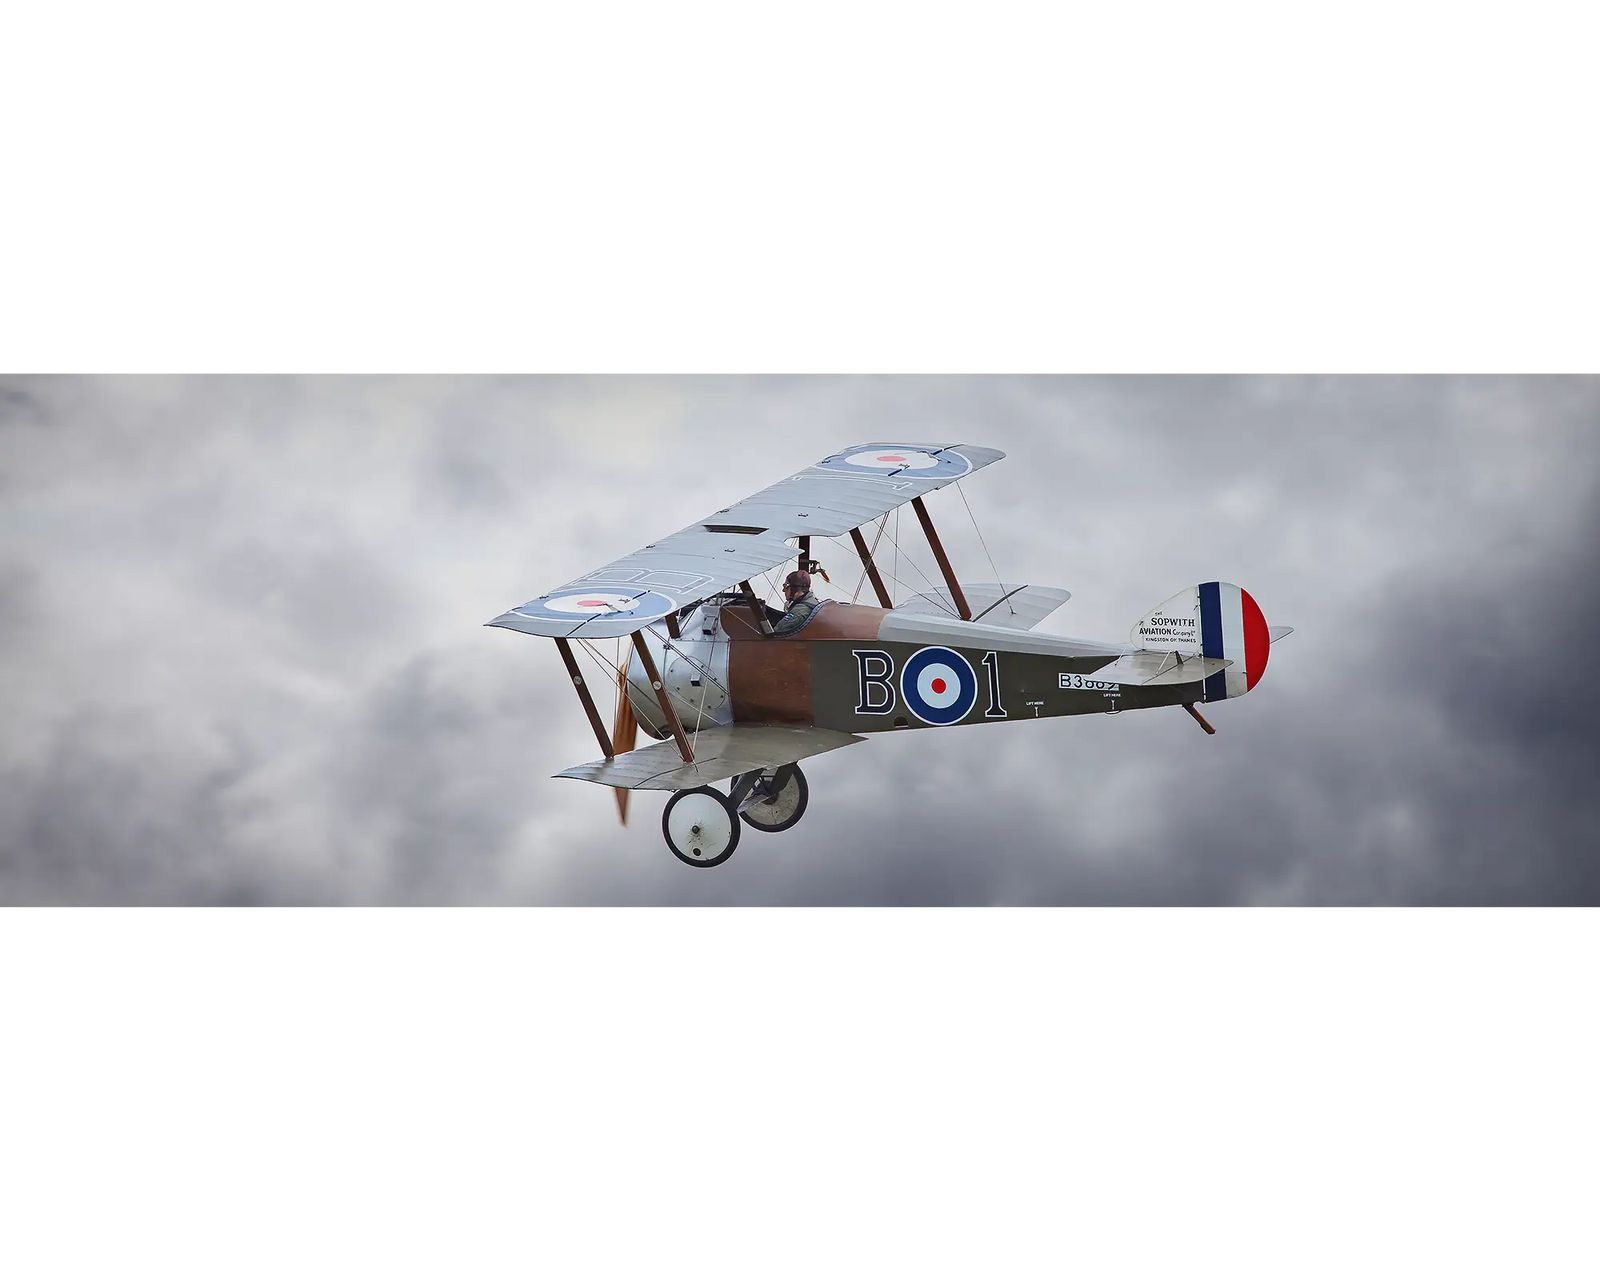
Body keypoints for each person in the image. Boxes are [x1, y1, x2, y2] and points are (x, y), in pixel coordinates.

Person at [772, 570, 822, 636]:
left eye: (786, 586)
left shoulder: (799, 612)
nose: (783, 590)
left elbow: (777, 631)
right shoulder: (813, 602)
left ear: (795, 588)